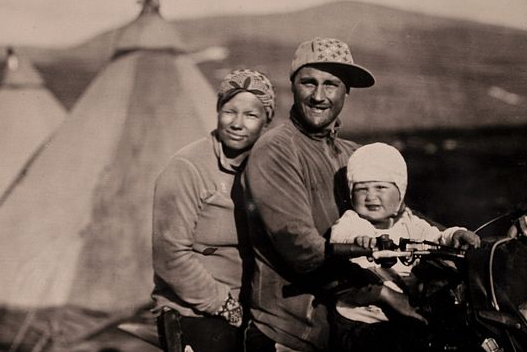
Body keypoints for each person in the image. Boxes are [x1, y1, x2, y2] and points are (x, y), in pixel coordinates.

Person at [243, 37, 376, 352]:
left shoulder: (353, 153)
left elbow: (397, 213)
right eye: (308, 82)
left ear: (347, 91)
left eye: (331, 85)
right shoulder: (275, 150)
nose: (319, 96)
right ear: (293, 85)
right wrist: (380, 292)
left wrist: (449, 236)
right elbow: (301, 248)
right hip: (289, 333)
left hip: (345, 329)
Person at [151, 68, 275, 352]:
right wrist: (225, 305)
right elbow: (170, 257)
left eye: (251, 115)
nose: (237, 124)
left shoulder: (267, 169)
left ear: (266, 122)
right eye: (230, 111)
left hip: (252, 309)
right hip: (196, 309)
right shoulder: (187, 168)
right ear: (218, 111)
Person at [328, 142, 481, 352]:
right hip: (360, 320)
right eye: (361, 188)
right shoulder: (354, 222)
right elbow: (341, 235)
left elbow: (433, 236)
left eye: (380, 187)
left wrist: (454, 235)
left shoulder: (409, 222)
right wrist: (359, 240)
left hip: (398, 313)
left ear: (399, 192)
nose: (370, 196)